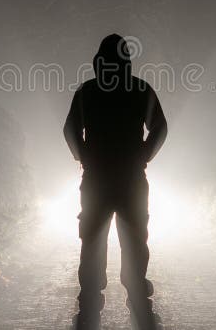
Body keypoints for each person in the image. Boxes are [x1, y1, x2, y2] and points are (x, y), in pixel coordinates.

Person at [63, 34, 168, 330]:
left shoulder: (88, 92)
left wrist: (84, 157)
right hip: (131, 180)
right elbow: (160, 127)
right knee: (135, 243)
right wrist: (144, 156)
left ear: (99, 61)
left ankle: (89, 313)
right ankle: (140, 310)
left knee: (93, 243)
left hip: (96, 181)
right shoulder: (140, 89)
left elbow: (70, 129)